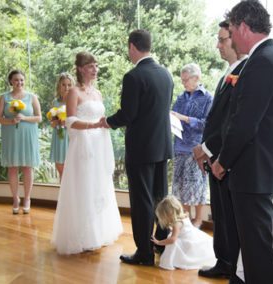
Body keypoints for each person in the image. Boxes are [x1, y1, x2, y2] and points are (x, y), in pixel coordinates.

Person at [211, 1, 273, 283]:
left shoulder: (264, 61)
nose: (231, 38)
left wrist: (223, 161)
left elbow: (245, 122)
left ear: (244, 27)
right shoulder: (267, 58)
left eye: (232, 31)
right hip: (255, 171)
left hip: (254, 172)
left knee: (257, 252)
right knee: (251, 249)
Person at [100, 29, 174, 266]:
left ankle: (144, 252)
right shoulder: (166, 75)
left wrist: (108, 122)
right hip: (162, 147)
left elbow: (128, 114)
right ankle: (161, 243)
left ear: (133, 46)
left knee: (142, 202)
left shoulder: (133, 76)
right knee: (160, 197)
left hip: (142, 149)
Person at [51, 52, 122, 255]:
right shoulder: (74, 92)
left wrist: (105, 123)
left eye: (96, 66)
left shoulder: (97, 93)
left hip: (99, 144)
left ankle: (98, 232)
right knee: (84, 186)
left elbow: (101, 117)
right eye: (91, 66)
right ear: (81, 69)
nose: (95, 69)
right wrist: (93, 125)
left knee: (98, 186)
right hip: (83, 145)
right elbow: (70, 121)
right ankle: (82, 235)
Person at [193, 21, 247, 279]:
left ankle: (229, 264)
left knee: (229, 216)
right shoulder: (229, 73)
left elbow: (230, 121)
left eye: (222, 39)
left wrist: (205, 147)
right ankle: (223, 261)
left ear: (236, 39)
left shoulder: (245, 73)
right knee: (221, 214)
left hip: (229, 158)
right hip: (216, 156)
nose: (218, 45)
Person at [171, 63, 213, 229]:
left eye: (186, 80)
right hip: (179, 146)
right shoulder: (181, 97)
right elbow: (174, 115)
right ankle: (186, 219)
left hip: (196, 149)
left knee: (197, 184)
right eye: (182, 80)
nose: (183, 83)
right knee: (181, 186)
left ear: (196, 78)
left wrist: (185, 118)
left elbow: (208, 124)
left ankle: (198, 220)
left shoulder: (208, 98)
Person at [0, 69, 42, 214]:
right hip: (11, 135)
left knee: (28, 167)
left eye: (21, 80)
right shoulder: (4, 97)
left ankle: (27, 198)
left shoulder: (32, 97)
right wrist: (11, 120)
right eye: (16, 80)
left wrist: (24, 118)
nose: (19, 83)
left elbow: (39, 117)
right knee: (12, 168)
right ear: (11, 81)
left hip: (28, 135)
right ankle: (16, 198)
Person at [151, 195, 215, 270]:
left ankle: (177, 261)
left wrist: (158, 242)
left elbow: (172, 240)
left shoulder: (176, 223)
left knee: (173, 243)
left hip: (188, 242)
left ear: (168, 214)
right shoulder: (185, 215)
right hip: (194, 237)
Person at [49, 72, 75, 180]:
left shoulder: (75, 101)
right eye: (63, 85)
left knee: (72, 169)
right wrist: (55, 123)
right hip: (59, 136)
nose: (66, 87)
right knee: (60, 167)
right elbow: (52, 121)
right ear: (59, 86)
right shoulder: (55, 102)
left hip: (71, 136)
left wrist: (67, 122)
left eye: (69, 85)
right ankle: (64, 195)